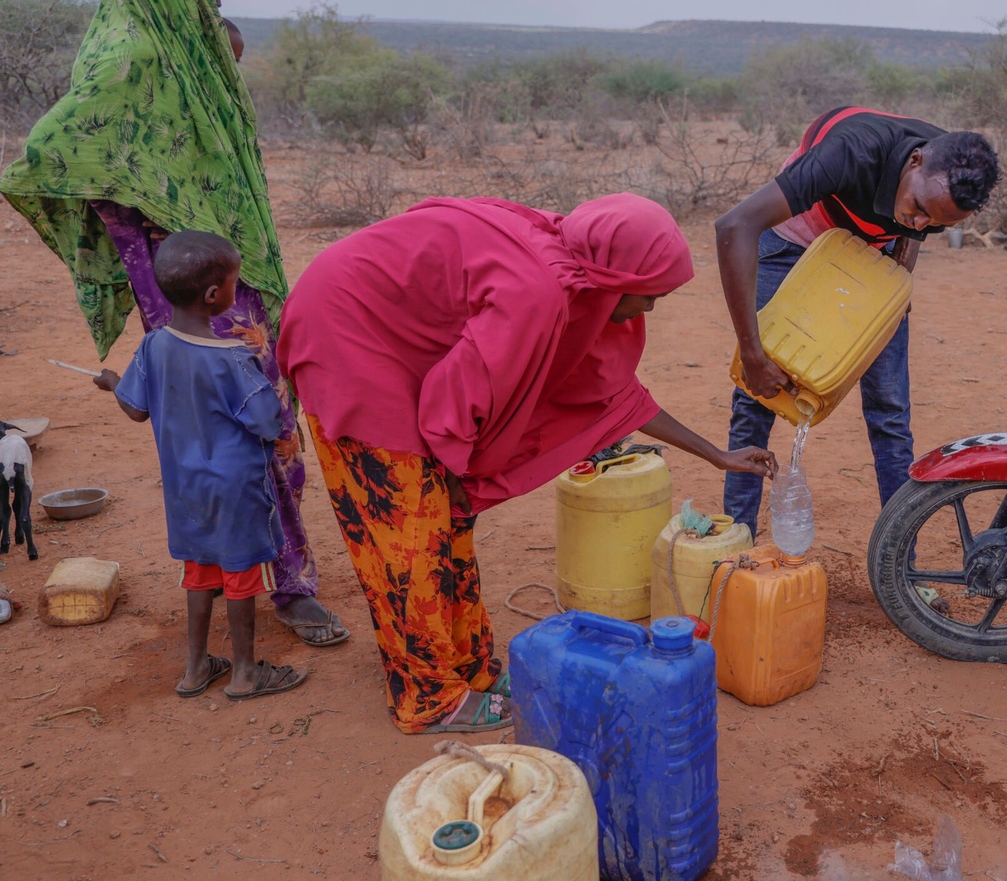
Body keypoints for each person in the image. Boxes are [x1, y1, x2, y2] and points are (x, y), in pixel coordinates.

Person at [277, 193, 775, 734]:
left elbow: (614, 395)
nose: (650, 310)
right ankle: (430, 698)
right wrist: (458, 470)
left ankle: (470, 667)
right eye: (650, 295)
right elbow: (456, 397)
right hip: (345, 339)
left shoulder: (576, 273)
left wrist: (716, 455)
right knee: (410, 535)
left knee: (449, 519)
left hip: (381, 328)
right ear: (615, 275)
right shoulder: (536, 293)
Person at [0, 0, 347, 648]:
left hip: (225, 272)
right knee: (233, 436)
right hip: (191, 285)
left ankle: (279, 579)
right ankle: (263, 582)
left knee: (264, 436)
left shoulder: (187, 40)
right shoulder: (127, 55)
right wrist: (163, 222)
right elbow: (57, 148)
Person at [714, 106, 999, 536]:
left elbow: (916, 225)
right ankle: (736, 543)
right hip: (793, 241)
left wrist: (899, 274)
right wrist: (753, 353)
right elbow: (735, 225)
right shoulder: (852, 151)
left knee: (889, 409)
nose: (920, 223)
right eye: (919, 207)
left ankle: (901, 563)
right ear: (914, 161)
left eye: (937, 224)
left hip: (868, 255)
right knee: (758, 398)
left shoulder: (947, 180)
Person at [94, 233, 308, 700]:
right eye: (234, 282)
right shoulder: (233, 359)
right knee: (241, 573)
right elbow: (267, 423)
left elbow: (135, 408)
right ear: (215, 296)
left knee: (199, 572)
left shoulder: (153, 347)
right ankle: (246, 673)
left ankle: (194, 669)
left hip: (184, 488)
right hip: (235, 489)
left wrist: (113, 382)